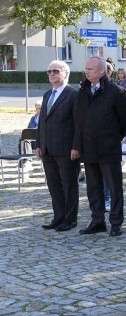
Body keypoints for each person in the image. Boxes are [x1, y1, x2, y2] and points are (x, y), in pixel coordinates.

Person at [73, 56, 126, 237]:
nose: (87, 72)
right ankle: (97, 221)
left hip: (108, 147)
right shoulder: (83, 91)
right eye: (86, 69)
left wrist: (113, 136)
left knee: (114, 187)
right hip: (89, 147)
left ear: (102, 71)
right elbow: (79, 120)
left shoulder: (115, 91)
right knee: (93, 187)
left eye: (91, 69)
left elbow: (125, 118)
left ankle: (115, 222)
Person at [34, 61, 80, 231]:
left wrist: (76, 147)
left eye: (55, 71)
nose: (51, 74)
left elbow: (78, 124)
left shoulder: (73, 94)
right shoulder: (47, 95)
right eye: (49, 71)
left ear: (65, 74)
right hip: (47, 149)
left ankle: (70, 219)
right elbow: (42, 123)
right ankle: (58, 216)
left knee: (69, 185)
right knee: (54, 185)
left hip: (67, 150)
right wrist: (38, 144)